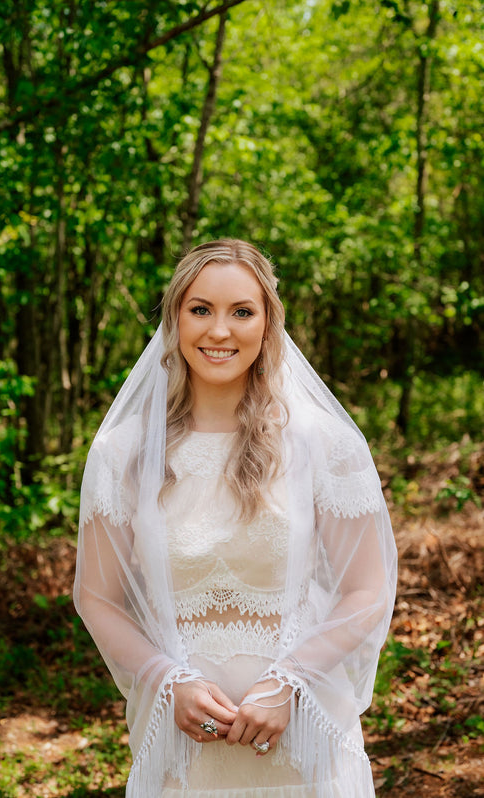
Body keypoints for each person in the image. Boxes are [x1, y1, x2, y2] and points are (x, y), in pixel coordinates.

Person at [74, 239, 397, 798]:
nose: (219, 331)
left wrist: (290, 681)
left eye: (241, 311)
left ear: (268, 324)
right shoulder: (124, 452)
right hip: (184, 757)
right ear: (174, 321)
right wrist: (165, 679)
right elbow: (96, 596)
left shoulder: (325, 445)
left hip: (306, 745)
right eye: (200, 309)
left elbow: (367, 589)